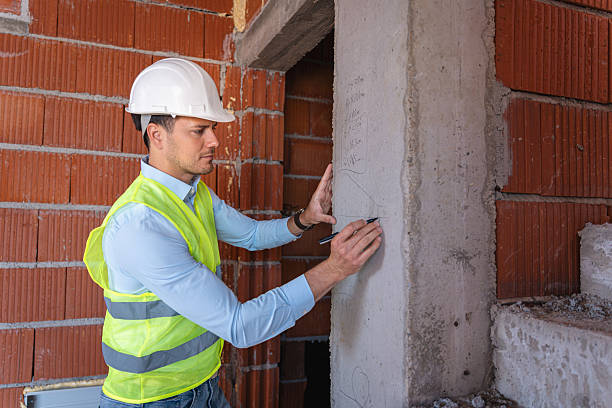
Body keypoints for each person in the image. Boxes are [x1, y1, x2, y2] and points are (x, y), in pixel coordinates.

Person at [84, 58, 382, 408]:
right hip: (150, 401)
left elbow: (252, 235)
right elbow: (240, 326)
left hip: (204, 389)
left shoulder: (195, 194)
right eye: (199, 130)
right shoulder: (141, 225)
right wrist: (335, 269)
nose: (214, 141)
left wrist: (306, 218)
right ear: (157, 135)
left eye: (213, 128)